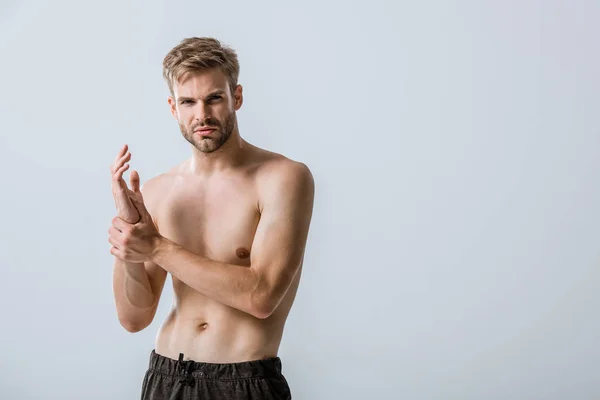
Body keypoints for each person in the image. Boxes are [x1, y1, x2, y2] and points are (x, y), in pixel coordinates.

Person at [108, 37, 314, 399]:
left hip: (244, 381)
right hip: (165, 375)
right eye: (188, 101)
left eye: (213, 98)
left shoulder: (283, 178)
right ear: (173, 108)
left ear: (237, 97)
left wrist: (155, 247)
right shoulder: (156, 191)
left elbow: (262, 296)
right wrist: (130, 249)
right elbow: (134, 318)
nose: (201, 114)